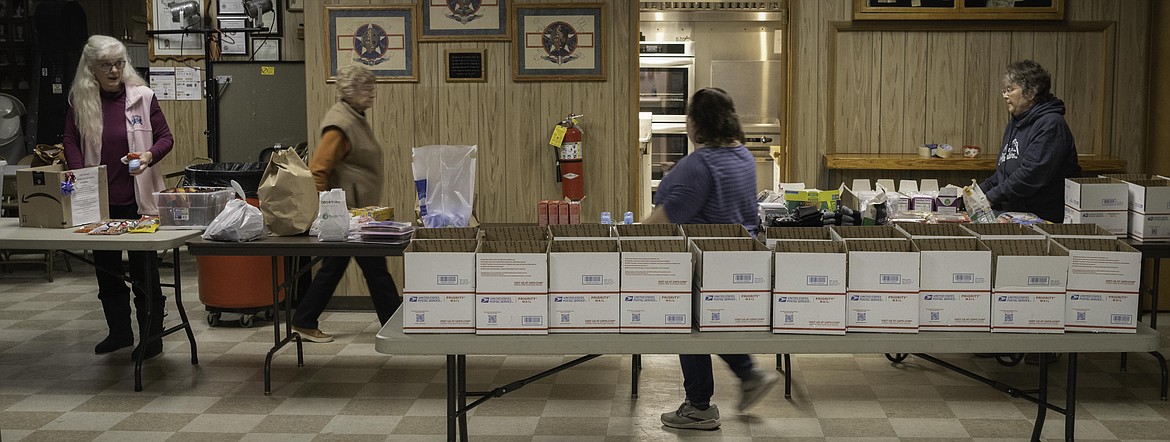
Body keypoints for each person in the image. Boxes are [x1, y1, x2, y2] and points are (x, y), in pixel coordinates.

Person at [644, 87, 779, 430]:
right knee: (710, 321)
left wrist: (623, 238)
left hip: (706, 261)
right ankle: (749, 374)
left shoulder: (700, 165)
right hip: (741, 260)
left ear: (696, 123)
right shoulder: (743, 156)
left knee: (687, 323)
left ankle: (699, 406)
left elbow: (664, 220)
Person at [62, 35, 174, 360]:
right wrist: (81, 174)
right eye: (106, 65)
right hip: (100, 203)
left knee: (145, 274)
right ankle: (120, 333)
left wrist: (150, 156)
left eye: (119, 64)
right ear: (91, 69)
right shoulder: (81, 100)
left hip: (139, 204)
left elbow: (165, 137)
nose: (114, 71)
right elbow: (70, 139)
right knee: (107, 272)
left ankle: (152, 338)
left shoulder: (143, 97)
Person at [292, 64, 400, 343]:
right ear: (350, 91)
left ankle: (304, 319)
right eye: (367, 88)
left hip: (358, 214)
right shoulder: (341, 124)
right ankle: (394, 325)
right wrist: (321, 213)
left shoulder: (354, 116)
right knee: (374, 271)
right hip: (351, 216)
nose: (372, 94)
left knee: (339, 267)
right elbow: (318, 169)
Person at [978, 60, 1080, 223]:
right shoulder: (1016, 122)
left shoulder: (1050, 124)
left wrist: (989, 198)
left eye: (1010, 89)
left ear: (1032, 92)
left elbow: (1030, 175)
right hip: (1013, 215)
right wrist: (974, 194)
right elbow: (1003, 173)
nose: (1005, 95)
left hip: (1042, 219)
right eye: (1004, 90)